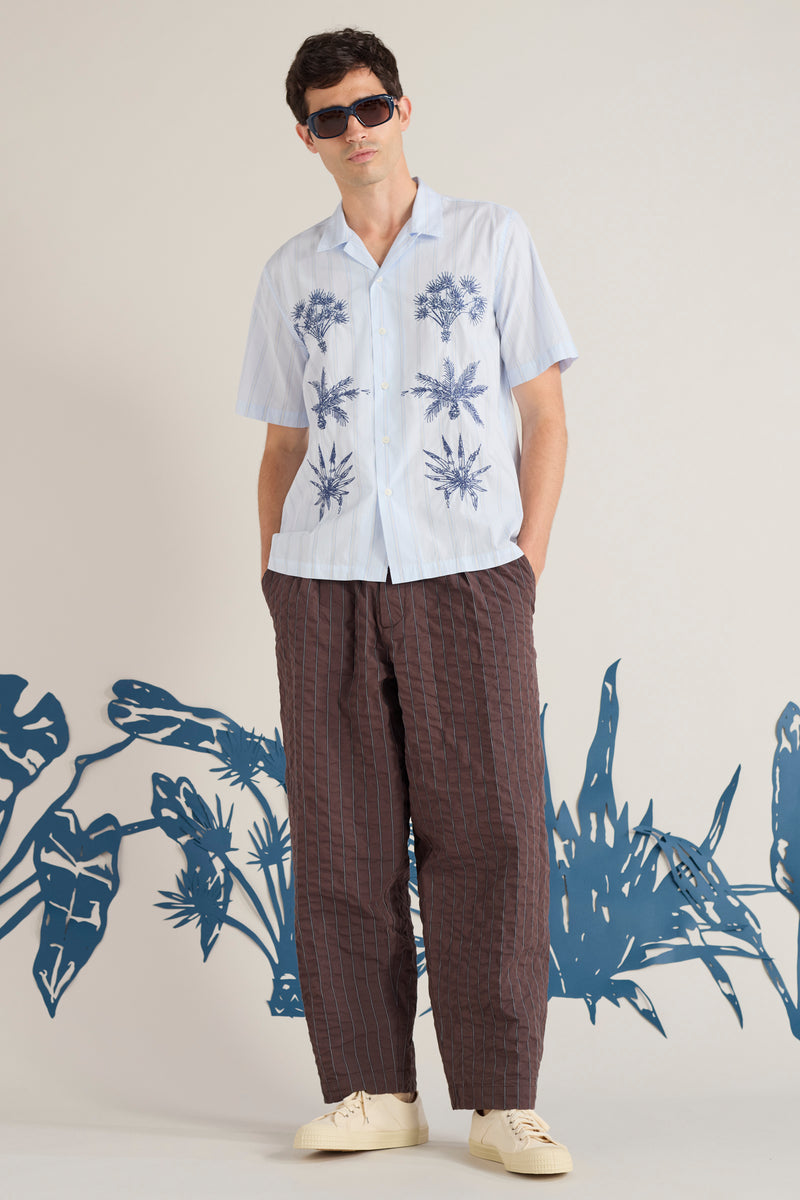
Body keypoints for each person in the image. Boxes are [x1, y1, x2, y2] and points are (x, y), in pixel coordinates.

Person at [236, 27, 578, 1176]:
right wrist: (277, 575)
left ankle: (500, 1100)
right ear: (305, 137)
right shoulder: (291, 272)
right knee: (341, 838)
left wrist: (521, 566)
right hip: (323, 582)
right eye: (328, 118)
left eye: (369, 107)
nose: (354, 131)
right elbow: (282, 445)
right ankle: (371, 1091)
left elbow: (543, 415)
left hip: (468, 575)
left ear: (401, 109)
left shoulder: (489, 238)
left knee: (491, 833)